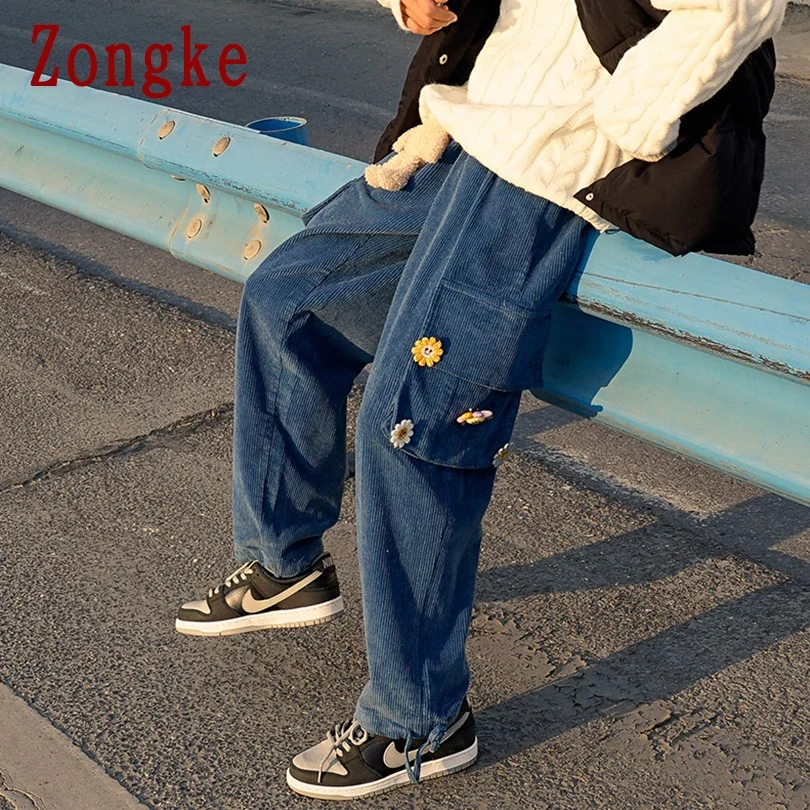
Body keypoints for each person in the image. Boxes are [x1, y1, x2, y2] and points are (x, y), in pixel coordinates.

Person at [175, 0, 786, 799]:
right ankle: (283, 564)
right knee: (287, 301)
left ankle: (421, 720)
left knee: (412, 423)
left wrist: (626, 119)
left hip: (545, 168)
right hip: (466, 127)